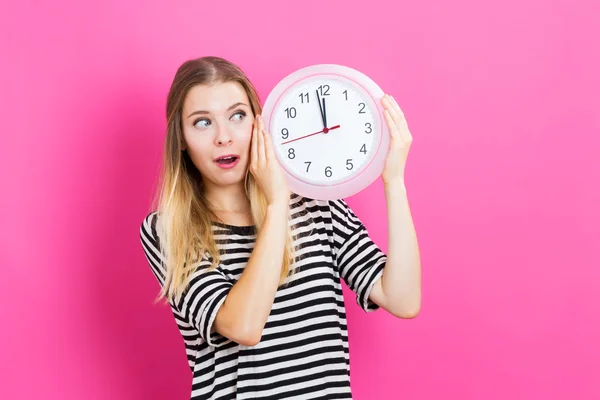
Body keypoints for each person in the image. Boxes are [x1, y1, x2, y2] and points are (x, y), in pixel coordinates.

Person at [139, 56, 421, 399]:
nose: (224, 137)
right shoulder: (168, 229)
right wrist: (276, 205)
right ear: (180, 138)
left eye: (237, 116)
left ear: (259, 123)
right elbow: (243, 326)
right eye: (202, 123)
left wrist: (393, 181)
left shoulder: (317, 204)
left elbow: (403, 300)